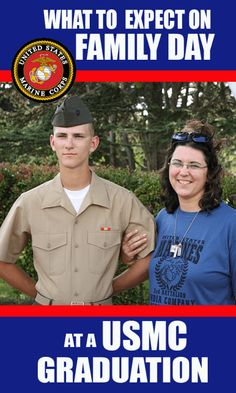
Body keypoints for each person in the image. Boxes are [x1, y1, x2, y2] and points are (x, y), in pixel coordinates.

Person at [0, 95, 155, 305]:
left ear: (93, 143)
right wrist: (39, 296)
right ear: (52, 142)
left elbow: (149, 259)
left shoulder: (122, 201)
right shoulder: (29, 202)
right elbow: (2, 260)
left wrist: (111, 288)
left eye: (78, 136)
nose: (69, 144)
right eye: (62, 136)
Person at [121, 120, 236, 305]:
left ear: (210, 172)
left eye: (194, 165)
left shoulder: (231, 225)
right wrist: (127, 258)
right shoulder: (163, 218)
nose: (184, 172)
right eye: (177, 163)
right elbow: (149, 266)